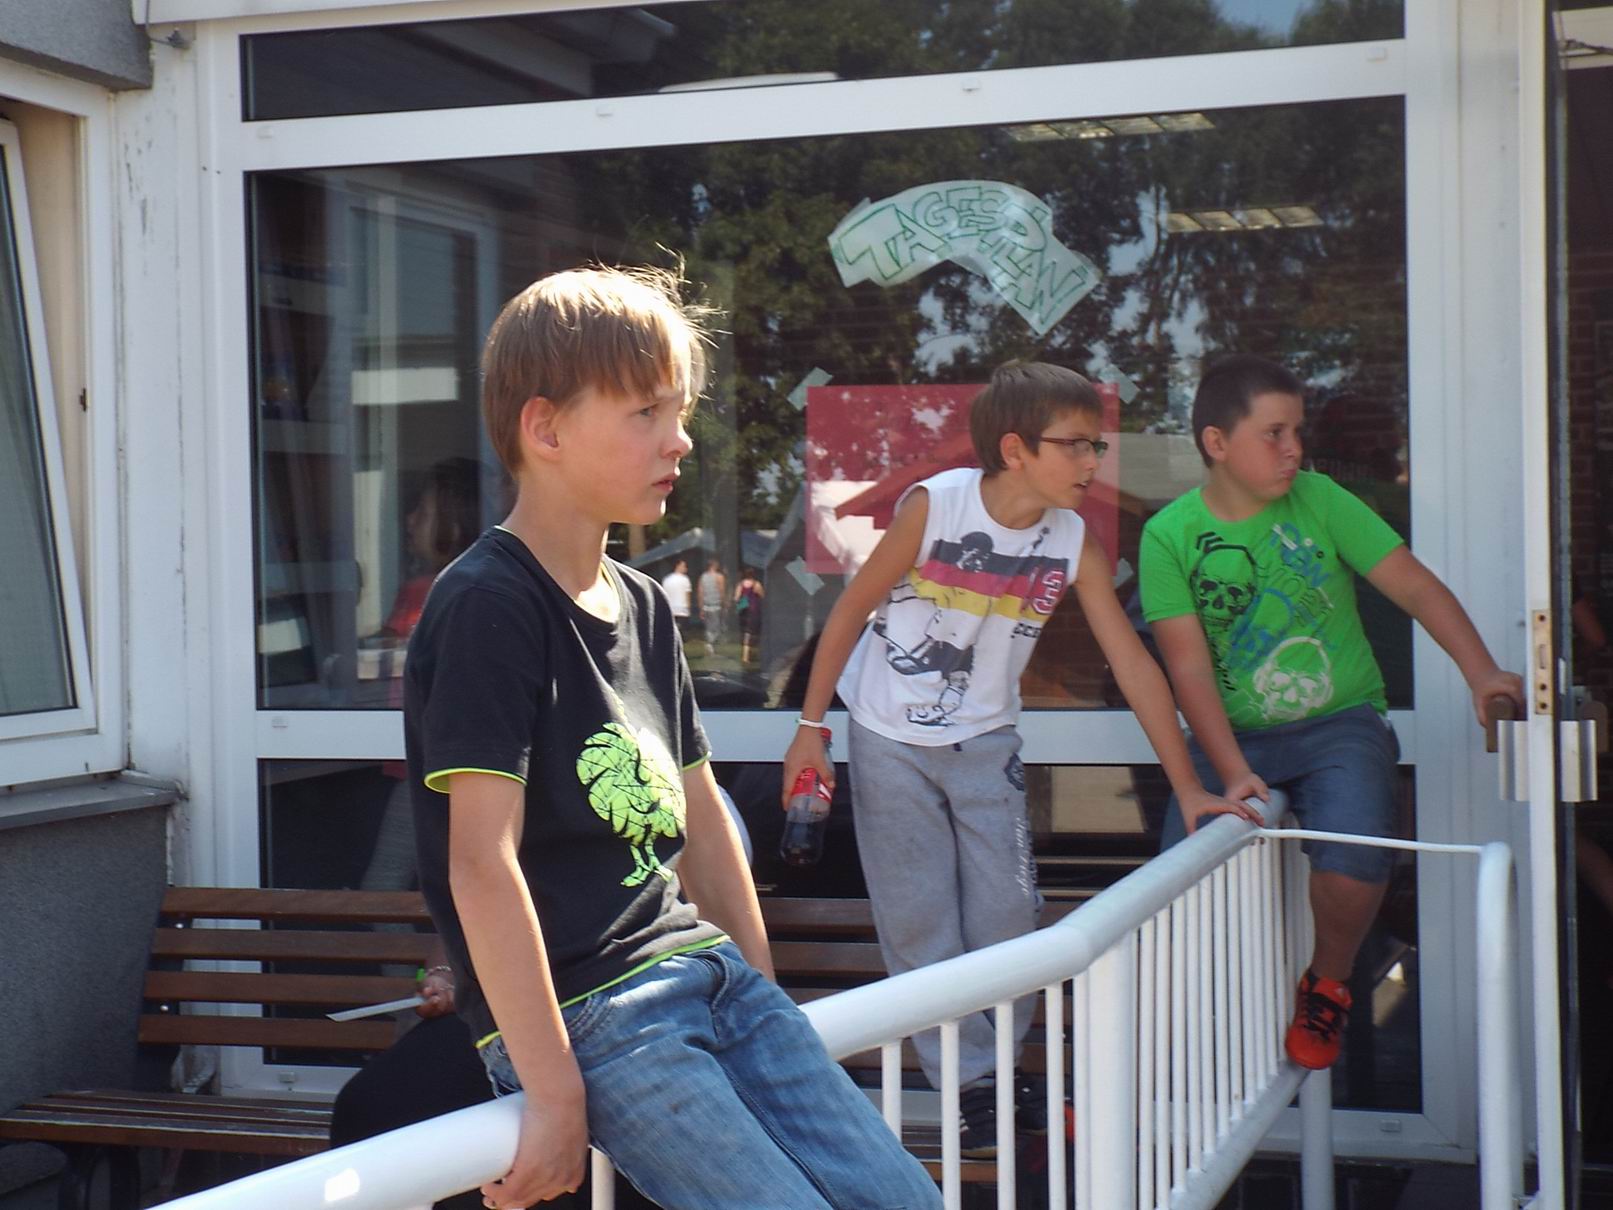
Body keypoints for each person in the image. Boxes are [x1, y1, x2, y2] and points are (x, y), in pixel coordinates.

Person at [403, 264, 941, 1210]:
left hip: (710, 977)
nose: (680, 439)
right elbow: (481, 865)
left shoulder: (645, 603)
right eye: (646, 413)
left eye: (678, 411)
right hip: (597, 1013)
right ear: (545, 429)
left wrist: (761, 998)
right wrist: (553, 1093)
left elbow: (701, 818)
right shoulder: (488, 604)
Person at [781, 361, 1252, 1158]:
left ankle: (994, 1071)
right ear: (1014, 449)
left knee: (1009, 914)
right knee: (920, 918)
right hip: (887, 735)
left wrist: (1188, 786)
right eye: (1074, 445)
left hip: (986, 741)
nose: (1092, 461)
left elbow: (1132, 664)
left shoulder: (1069, 540)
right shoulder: (936, 507)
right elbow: (851, 609)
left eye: (1096, 445)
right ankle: (974, 1086)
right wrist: (808, 728)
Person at [1139, 354, 1525, 1071]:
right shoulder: (1168, 534)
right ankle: (1150, 1058)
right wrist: (1231, 769)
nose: (1294, 449)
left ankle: (1328, 983)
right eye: (1274, 433)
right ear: (1216, 443)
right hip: (1231, 735)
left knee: (1354, 856)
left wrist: (1480, 672)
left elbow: (1416, 587)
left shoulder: (1319, 499)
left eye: (1297, 431)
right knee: (1173, 893)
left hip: (1338, 724)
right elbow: (1186, 667)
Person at [698, 557, 728, 656]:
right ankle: (711, 645)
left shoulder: (703, 577)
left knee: (708, 627)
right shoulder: (719, 577)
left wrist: (701, 607)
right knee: (716, 627)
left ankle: (710, 644)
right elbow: (721, 591)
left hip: (706, 605)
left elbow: (700, 592)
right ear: (715, 565)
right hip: (716, 605)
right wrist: (724, 604)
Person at [734, 567, 764, 664]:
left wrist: (741, 602)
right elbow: (762, 595)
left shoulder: (740, 584)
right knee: (753, 633)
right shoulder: (756, 584)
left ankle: (745, 655)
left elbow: (736, 598)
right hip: (754, 611)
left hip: (743, 611)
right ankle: (748, 656)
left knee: (746, 633)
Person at [660, 557, 693, 641]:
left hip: (671, 608)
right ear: (678, 566)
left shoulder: (666, 579)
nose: (686, 568)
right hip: (682, 608)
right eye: (684, 566)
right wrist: (689, 608)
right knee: (682, 630)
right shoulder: (685, 579)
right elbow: (687, 595)